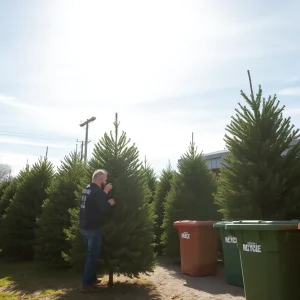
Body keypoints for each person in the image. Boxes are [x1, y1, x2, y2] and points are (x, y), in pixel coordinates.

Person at [79, 169, 115, 292]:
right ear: (99, 180)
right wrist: (109, 202)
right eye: (105, 179)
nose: (106, 181)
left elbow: (93, 204)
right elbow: (103, 208)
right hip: (92, 228)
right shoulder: (98, 191)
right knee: (92, 255)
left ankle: (92, 279)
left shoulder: (87, 188)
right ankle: (86, 284)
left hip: (84, 226)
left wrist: (103, 193)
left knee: (90, 253)